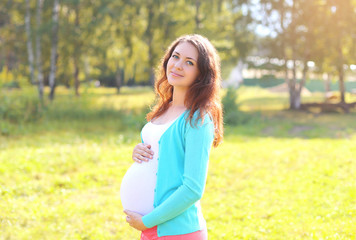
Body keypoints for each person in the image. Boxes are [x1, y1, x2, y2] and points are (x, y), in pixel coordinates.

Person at [121, 34, 223, 239]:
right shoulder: (164, 108)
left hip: (177, 231)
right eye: (175, 57)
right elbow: (162, 157)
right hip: (152, 229)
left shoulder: (198, 119)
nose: (177, 65)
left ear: (201, 74)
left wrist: (146, 221)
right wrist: (139, 151)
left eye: (189, 62)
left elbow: (193, 189)